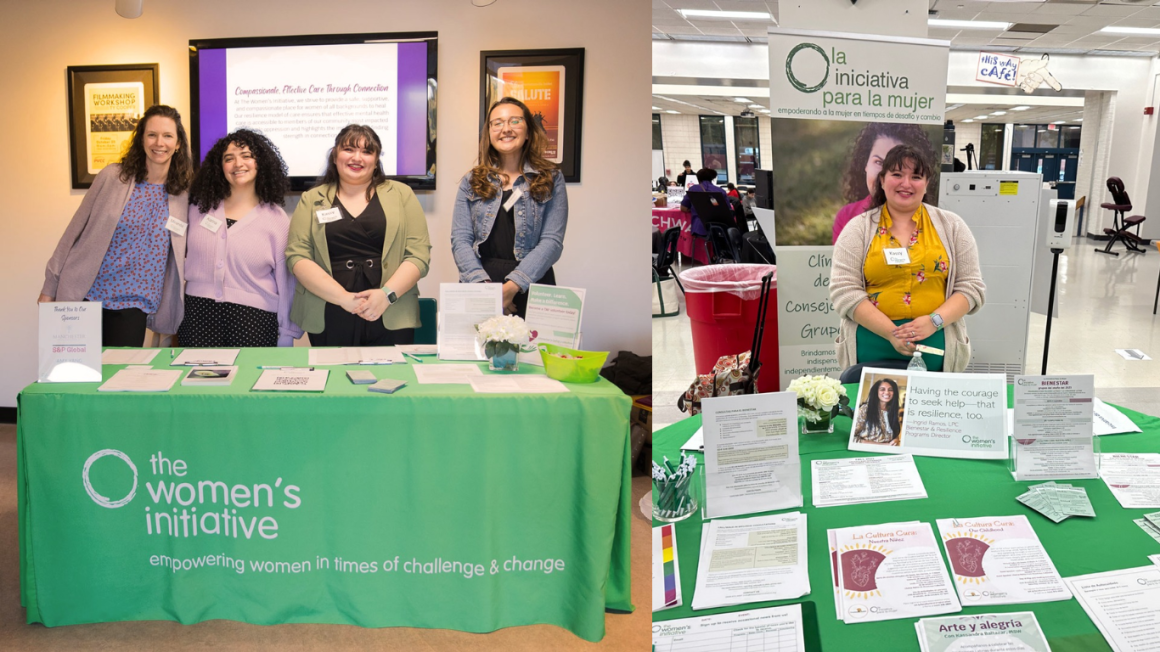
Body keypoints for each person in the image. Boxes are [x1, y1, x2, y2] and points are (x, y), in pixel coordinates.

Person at [39, 104, 193, 346]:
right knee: (76, 377)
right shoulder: (113, 177)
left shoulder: (184, 194)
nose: (159, 142)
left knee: (117, 379)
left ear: (178, 144)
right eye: (152, 134)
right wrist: (50, 287)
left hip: (135, 303)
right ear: (141, 139)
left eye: (167, 136)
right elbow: (72, 233)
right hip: (87, 295)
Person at [831, 145, 985, 372]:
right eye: (897, 175)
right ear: (882, 181)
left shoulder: (953, 227)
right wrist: (891, 333)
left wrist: (934, 322)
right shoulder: (857, 229)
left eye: (916, 176)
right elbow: (844, 292)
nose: (906, 183)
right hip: (870, 346)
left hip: (937, 348)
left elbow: (971, 288)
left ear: (926, 184)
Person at [286, 125, 431, 345]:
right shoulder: (311, 199)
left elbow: (418, 255)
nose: (357, 157)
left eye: (366, 151)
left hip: (391, 310)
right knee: (334, 377)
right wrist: (344, 299)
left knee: (391, 379)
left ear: (376, 160)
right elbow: (298, 257)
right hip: (329, 309)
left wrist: (386, 296)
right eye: (349, 149)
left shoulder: (402, 194)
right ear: (335, 155)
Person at [179, 129, 302, 347]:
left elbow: (287, 282)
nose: (238, 163)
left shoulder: (276, 219)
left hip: (254, 320)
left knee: (248, 381)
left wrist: (287, 333)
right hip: (197, 315)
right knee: (199, 381)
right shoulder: (197, 209)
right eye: (229, 158)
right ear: (220, 167)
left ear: (260, 163)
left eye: (246, 156)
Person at [452, 97, 567, 318]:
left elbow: (552, 241)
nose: (506, 129)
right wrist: (486, 291)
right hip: (480, 284)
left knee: (531, 353)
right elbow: (460, 239)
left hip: (532, 284)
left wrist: (512, 287)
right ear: (489, 133)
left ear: (529, 131)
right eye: (497, 123)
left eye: (515, 121)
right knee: (478, 353)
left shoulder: (552, 178)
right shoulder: (471, 180)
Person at [833, 123, 938, 243]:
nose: (885, 175)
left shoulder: (940, 224)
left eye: (898, 167)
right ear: (865, 163)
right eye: (878, 162)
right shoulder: (847, 216)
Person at [680, 168, 728, 241]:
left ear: (698, 178)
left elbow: (683, 208)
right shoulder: (721, 191)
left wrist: (694, 209)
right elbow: (728, 209)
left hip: (699, 227)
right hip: (720, 228)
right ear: (712, 178)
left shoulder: (693, 189)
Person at [852, 378, 903, 446]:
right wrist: (885, 445)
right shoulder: (865, 409)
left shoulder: (894, 411)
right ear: (876, 392)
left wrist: (896, 439)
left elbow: (895, 432)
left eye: (890, 390)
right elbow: (853, 438)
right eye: (882, 389)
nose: (887, 392)